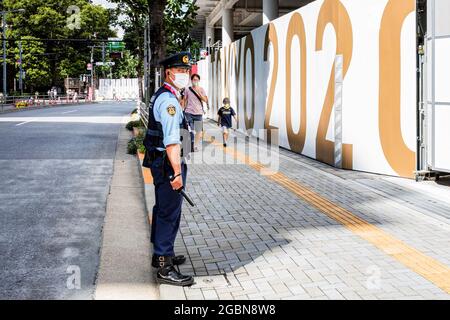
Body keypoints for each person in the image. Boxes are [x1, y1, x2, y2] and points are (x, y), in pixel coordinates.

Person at [143, 52, 194, 287]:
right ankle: (164, 267)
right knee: (168, 213)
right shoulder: (169, 101)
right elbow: (172, 141)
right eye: (181, 71)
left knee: (163, 208)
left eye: (187, 71)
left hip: (161, 162)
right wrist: (176, 172)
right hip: (167, 164)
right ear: (169, 73)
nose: (185, 75)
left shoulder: (166, 95)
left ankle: (162, 255)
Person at [182, 74, 209, 152]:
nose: (195, 81)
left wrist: (199, 93)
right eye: (194, 80)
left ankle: (195, 146)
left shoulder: (201, 89)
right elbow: (184, 99)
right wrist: (182, 109)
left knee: (199, 131)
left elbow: (205, 100)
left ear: (199, 81)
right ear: (191, 80)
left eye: (197, 80)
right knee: (190, 130)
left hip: (198, 113)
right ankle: (190, 144)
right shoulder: (187, 89)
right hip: (189, 112)